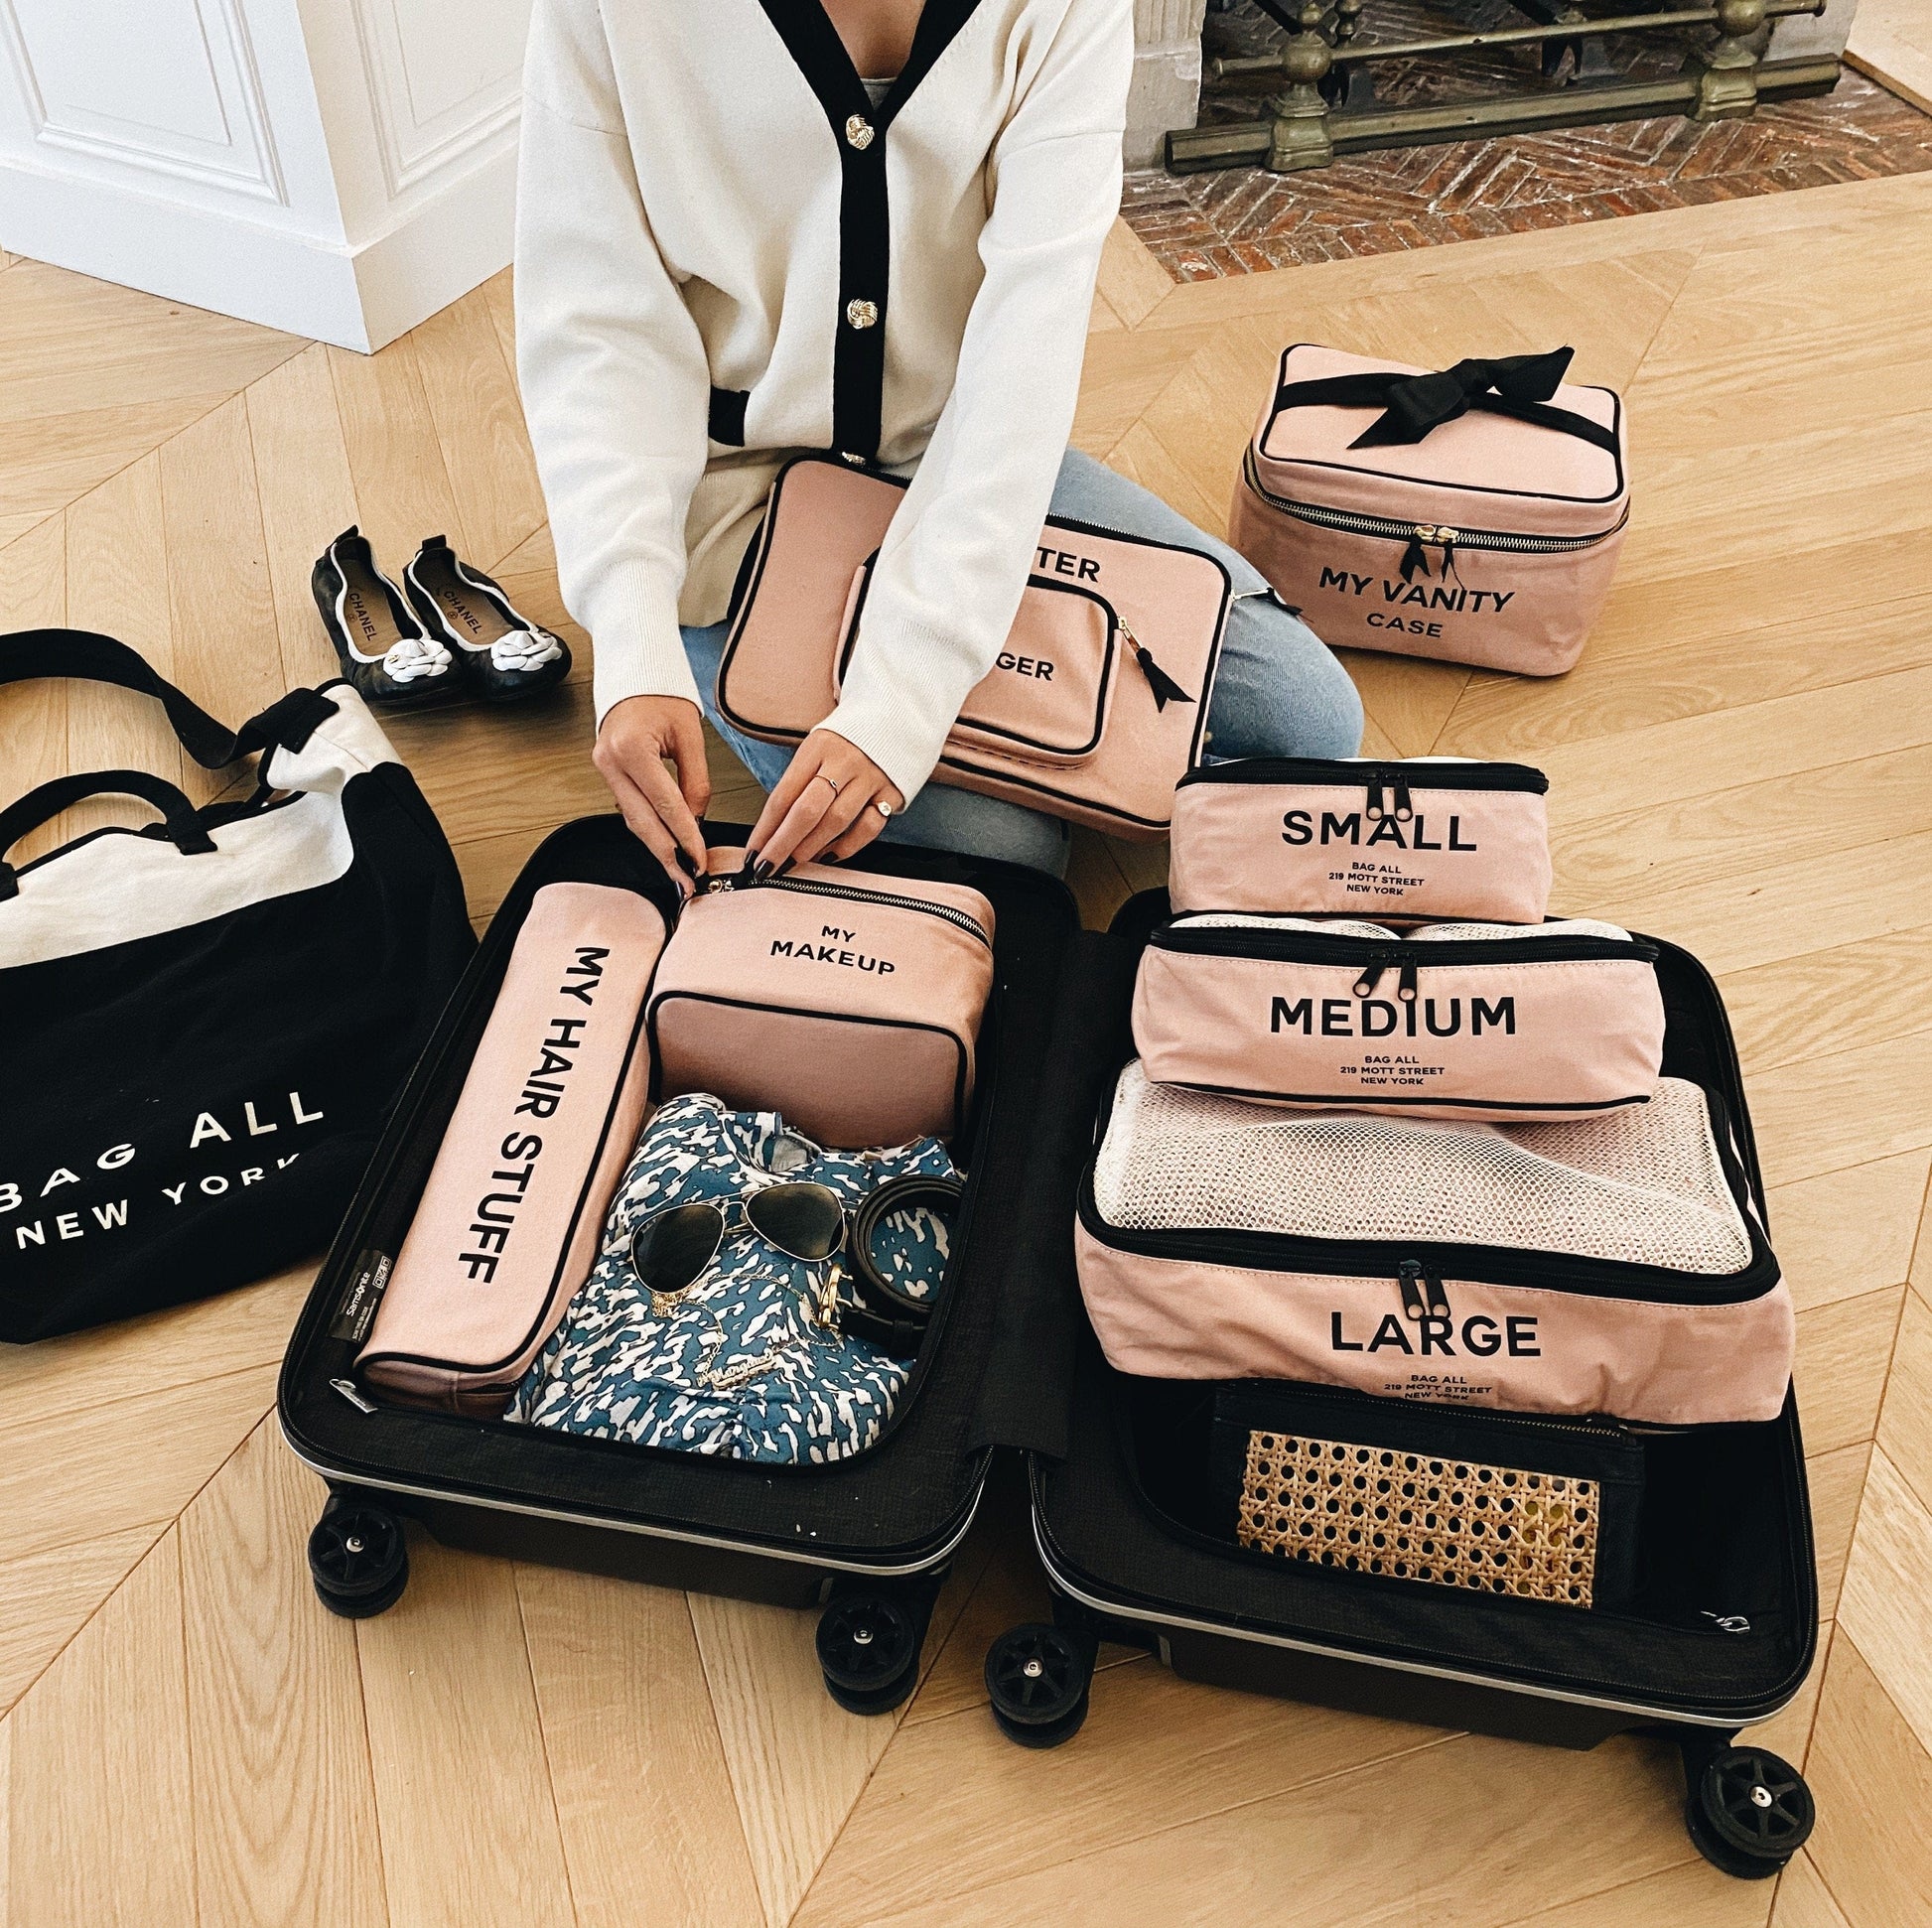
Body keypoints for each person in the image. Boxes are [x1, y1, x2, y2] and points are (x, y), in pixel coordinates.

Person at [516, 0, 1362, 890]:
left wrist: (902, 697)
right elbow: (598, 332)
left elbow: (1022, 357)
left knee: (1308, 719)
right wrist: (634, 641)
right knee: (1006, 855)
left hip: (960, 458)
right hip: (736, 501)